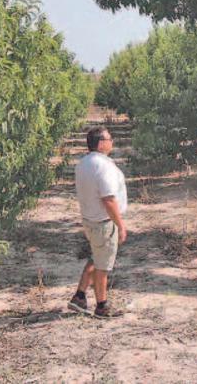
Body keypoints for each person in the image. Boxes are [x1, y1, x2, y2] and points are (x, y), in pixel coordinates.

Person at [68, 126, 129, 318]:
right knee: (103, 266)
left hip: (90, 220)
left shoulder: (84, 163)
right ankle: (102, 306)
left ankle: (79, 297)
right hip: (103, 222)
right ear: (101, 143)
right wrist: (120, 224)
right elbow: (109, 199)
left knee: (97, 257)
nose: (112, 142)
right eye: (110, 139)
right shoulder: (102, 166)